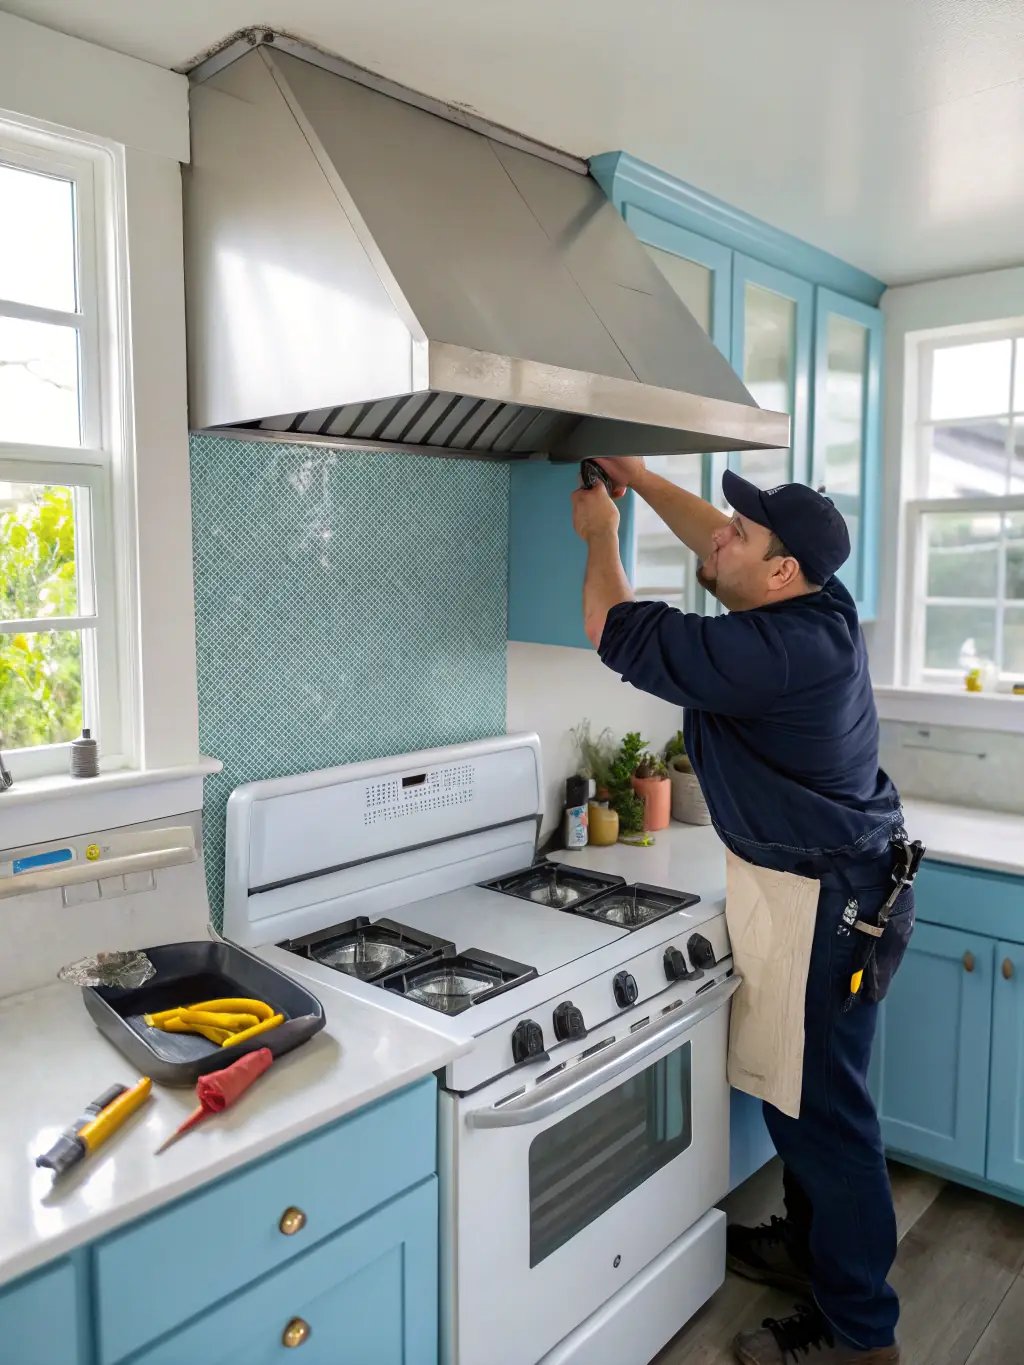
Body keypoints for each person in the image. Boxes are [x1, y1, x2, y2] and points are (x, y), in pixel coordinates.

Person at [571, 457, 917, 1365]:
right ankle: (812, 1254)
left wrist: (603, 533)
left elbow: (609, 624)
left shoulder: (768, 653)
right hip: (833, 882)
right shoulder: (812, 603)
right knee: (805, 1097)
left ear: (779, 573)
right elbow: (716, 549)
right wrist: (641, 479)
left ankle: (858, 1334)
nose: (719, 534)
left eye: (744, 531)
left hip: (827, 896)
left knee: (826, 1118)